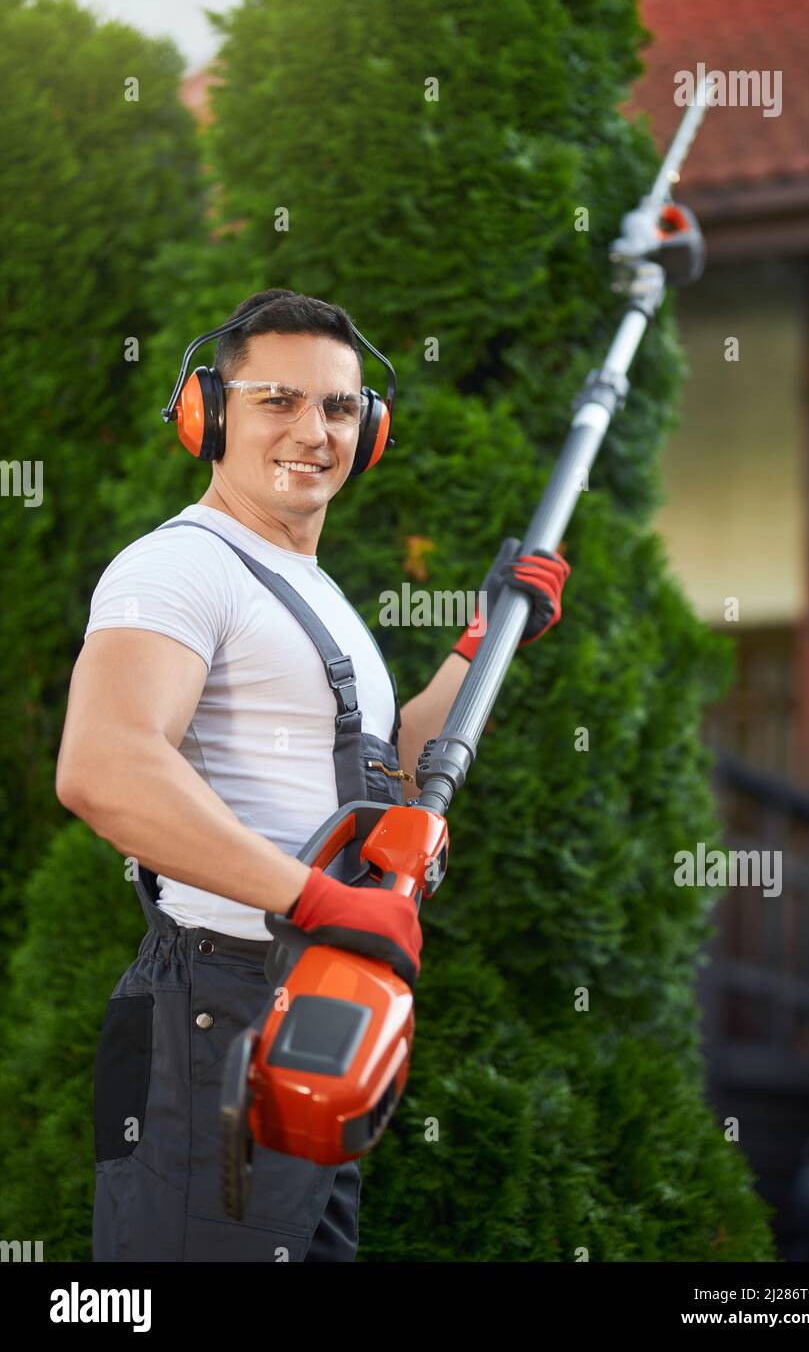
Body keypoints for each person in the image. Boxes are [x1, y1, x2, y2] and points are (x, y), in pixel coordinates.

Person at [55, 289, 571, 1262]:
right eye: (276, 400)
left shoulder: (313, 592)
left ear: (368, 431)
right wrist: (316, 897)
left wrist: (481, 646)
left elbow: (394, 779)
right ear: (206, 414)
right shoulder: (177, 568)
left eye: (338, 407)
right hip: (212, 1020)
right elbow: (103, 768)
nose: (313, 430)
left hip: (307, 1012)